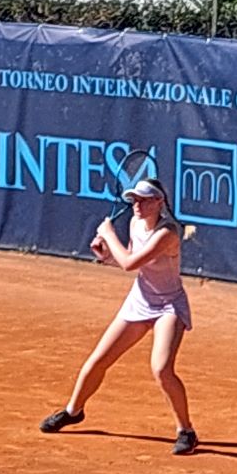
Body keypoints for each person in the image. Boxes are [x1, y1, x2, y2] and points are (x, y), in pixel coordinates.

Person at [39, 178, 197, 455]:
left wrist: (108, 234)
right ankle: (73, 411)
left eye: (144, 200)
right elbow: (132, 262)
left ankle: (186, 431)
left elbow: (129, 263)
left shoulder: (168, 233)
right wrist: (106, 257)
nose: (137, 205)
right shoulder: (136, 224)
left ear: (159, 202)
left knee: (161, 368)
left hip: (169, 307)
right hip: (140, 301)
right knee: (98, 360)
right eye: (134, 199)